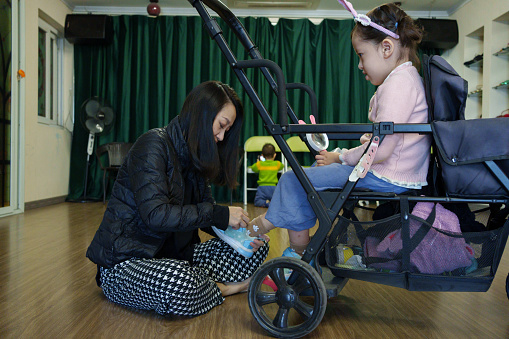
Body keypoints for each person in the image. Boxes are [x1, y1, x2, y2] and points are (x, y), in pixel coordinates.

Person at [218, 2, 431, 259]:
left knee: (294, 178)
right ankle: (293, 245)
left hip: (386, 174)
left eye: (362, 55)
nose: (360, 65)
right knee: (304, 179)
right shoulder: (406, 80)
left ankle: (273, 239)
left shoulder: (398, 85)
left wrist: (339, 157)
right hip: (390, 172)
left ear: (386, 48)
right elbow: (377, 144)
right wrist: (338, 155)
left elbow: (381, 150)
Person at [86, 80, 269, 317]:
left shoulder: (196, 157)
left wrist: (241, 235)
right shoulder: (152, 145)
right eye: (221, 126)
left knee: (257, 250)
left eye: (227, 130)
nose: (222, 137)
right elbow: (156, 216)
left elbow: (205, 217)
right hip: (127, 263)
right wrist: (220, 213)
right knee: (179, 282)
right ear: (202, 115)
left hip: (177, 257)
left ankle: (198, 284)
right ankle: (223, 289)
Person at [250, 143, 284, 207]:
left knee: (257, 201)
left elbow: (253, 168)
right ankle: (272, 203)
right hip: (273, 187)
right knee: (277, 200)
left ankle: (266, 203)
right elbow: (282, 166)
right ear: (274, 155)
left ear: (262, 155)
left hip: (262, 187)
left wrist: (258, 162)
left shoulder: (260, 164)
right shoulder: (277, 164)